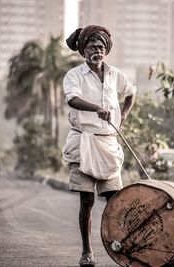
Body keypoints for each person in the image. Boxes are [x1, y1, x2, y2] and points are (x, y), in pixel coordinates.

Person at [62, 25, 136, 267]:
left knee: (114, 199)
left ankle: (121, 246)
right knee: (87, 200)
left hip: (108, 142)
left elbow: (131, 93)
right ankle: (87, 253)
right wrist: (96, 108)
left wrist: (123, 115)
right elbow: (72, 99)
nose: (98, 50)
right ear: (83, 50)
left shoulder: (115, 74)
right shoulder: (74, 75)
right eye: (93, 46)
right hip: (83, 141)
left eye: (102, 46)